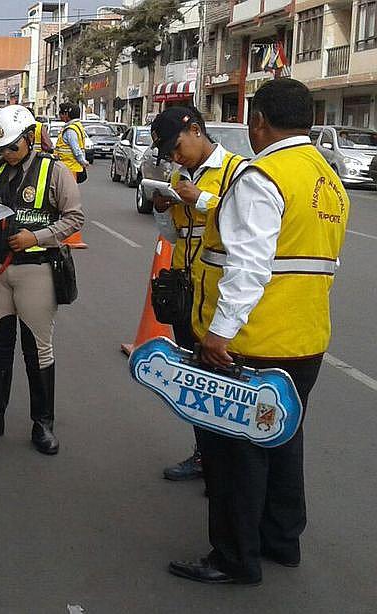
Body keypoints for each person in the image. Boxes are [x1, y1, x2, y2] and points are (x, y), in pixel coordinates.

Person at [169, 78, 349, 585]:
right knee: (283, 441)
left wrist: (218, 334)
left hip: (253, 344)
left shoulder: (262, 175)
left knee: (235, 454)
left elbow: (249, 266)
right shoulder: (325, 176)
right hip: (307, 341)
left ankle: (233, 558)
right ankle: (280, 540)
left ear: (260, 122)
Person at [0, 105, 85, 454]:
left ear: (30, 138)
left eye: (13, 146)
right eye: (2, 149)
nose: (7, 154)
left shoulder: (54, 172)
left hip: (35, 270)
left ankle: (43, 424)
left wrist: (37, 237)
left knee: (37, 349)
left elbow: (75, 218)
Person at [148, 107, 248, 482]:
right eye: (168, 154)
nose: (175, 158)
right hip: (186, 292)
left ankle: (229, 464)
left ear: (196, 130)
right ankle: (205, 456)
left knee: (226, 383)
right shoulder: (178, 176)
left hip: (221, 297)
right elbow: (173, 237)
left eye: (176, 147)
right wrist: (163, 208)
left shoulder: (237, 172)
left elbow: (246, 220)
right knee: (196, 381)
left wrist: (199, 199)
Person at [55, 102, 90, 182]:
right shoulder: (77, 126)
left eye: (61, 113)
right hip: (70, 167)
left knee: (68, 192)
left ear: (67, 114)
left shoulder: (70, 130)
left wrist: (83, 162)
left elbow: (76, 149)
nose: (60, 116)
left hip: (68, 167)